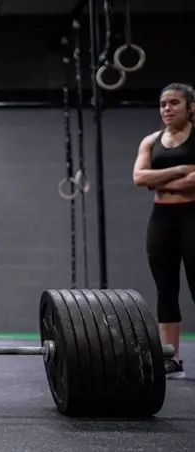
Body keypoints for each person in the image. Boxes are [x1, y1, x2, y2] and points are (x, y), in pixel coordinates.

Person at [133, 82, 195, 380]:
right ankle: (172, 359)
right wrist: (181, 170)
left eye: (174, 103)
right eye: (163, 104)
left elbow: (154, 180)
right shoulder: (150, 141)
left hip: (192, 216)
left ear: (190, 107)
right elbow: (138, 176)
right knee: (165, 288)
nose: (167, 109)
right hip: (162, 218)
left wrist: (157, 181)